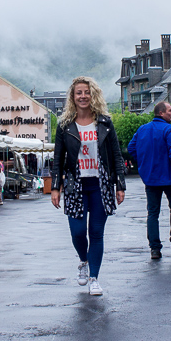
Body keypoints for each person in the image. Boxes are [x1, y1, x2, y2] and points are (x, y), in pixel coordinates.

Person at [51, 76, 126, 296]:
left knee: (96, 232)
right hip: (75, 185)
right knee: (77, 233)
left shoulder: (104, 122)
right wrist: (56, 187)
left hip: (99, 185)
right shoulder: (65, 125)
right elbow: (58, 159)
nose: (83, 96)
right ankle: (83, 261)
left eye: (87, 92)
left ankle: (94, 277)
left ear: (93, 95)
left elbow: (116, 155)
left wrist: (119, 184)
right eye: (79, 93)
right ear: (72, 97)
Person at [128, 101, 171, 259]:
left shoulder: (142, 129)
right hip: (170, 177)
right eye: (170, 110)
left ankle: (155, 248)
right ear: (161, 113)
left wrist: (143, 162)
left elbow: (131, 148)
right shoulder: (170, 130)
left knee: (152, 213)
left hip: (151, 178)